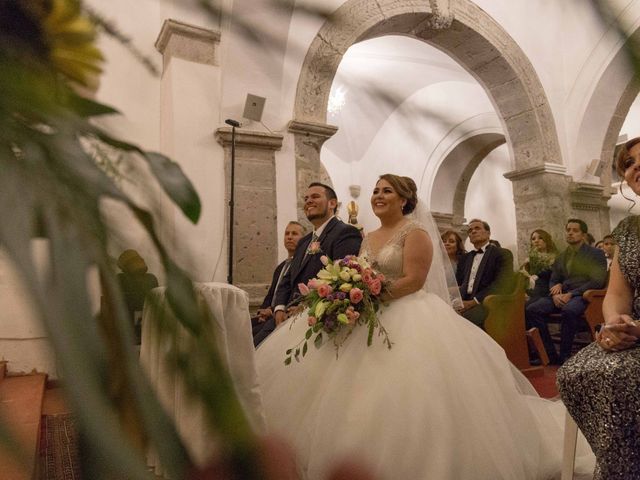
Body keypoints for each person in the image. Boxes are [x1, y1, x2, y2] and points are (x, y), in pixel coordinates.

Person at [256, 174, 593, 480]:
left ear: (404, 199)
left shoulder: (414, 233)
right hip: (368, 311)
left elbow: (414, 280)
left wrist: (370, 293)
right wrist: (347, 292)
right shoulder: (365, 236)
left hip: (407, 312)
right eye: (375, 191)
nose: (378, 195)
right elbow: (356, 270)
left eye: (386, 191)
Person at [557, 136, 640, 479]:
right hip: (633, 329)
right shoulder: (629, 230)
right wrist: (613, 323)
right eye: (630, 164)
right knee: (574, 373)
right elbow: (617, 293)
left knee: (620, 376)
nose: (636, 167)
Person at [253, 183, 362, 346]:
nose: (308, 201)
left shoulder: (345, 233)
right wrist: (279, 308)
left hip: (313, 318)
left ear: (332, 203)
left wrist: (304, 307)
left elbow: (342, 281)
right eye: (306, 198)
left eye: (315, 197)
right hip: (283, 317)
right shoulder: (304, 241)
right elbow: (287, 279)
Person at [525, 219, 607, 364]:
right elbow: (554, 278)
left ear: (583, 235)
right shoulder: (562, 256)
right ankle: (550, 355)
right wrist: (556, 293)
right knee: (532, 309)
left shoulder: (596, 253)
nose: (570, 233)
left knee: (569, 310)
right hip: (562, 294)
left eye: (575, 230)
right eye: (568, 230)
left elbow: (597, 281)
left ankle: (565, 355)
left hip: (583, 294)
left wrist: (571, 294)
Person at [252, 221, 305, 346]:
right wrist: (263, 310)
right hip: (268, 316)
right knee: (239, 329)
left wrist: (272, 310)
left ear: (303, 239)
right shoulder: (280, 267)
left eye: (294, 233)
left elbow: (293, 294)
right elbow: (271, 294)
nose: (289, 237)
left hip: (283, 316)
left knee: (252, 343)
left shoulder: (302, 266)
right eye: (287, 234)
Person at [455, 219, 514, 328]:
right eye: (470, 230)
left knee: (460, 322)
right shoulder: (465, 258)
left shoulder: (502, 254)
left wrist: (474, 302)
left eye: (477, 228)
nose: (473, 231)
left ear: (488, 233)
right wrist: (457, 301)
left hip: (488, 304)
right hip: (464, 301)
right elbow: (459, 283)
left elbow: (502, 283)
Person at [116, 249, 159, 345]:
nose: (142, 259)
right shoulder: (121, 279)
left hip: (147, 325)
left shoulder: (151, 278)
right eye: (136, 259)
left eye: (140, 257)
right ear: (127, 265)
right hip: (131, 328)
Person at [520, 229, 558, 305]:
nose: (536, 241)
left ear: (546, 240)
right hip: (530, 288)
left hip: (547, 289)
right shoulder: (529, 259)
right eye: (533, 239)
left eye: (540, 238)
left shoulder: (555, 258)